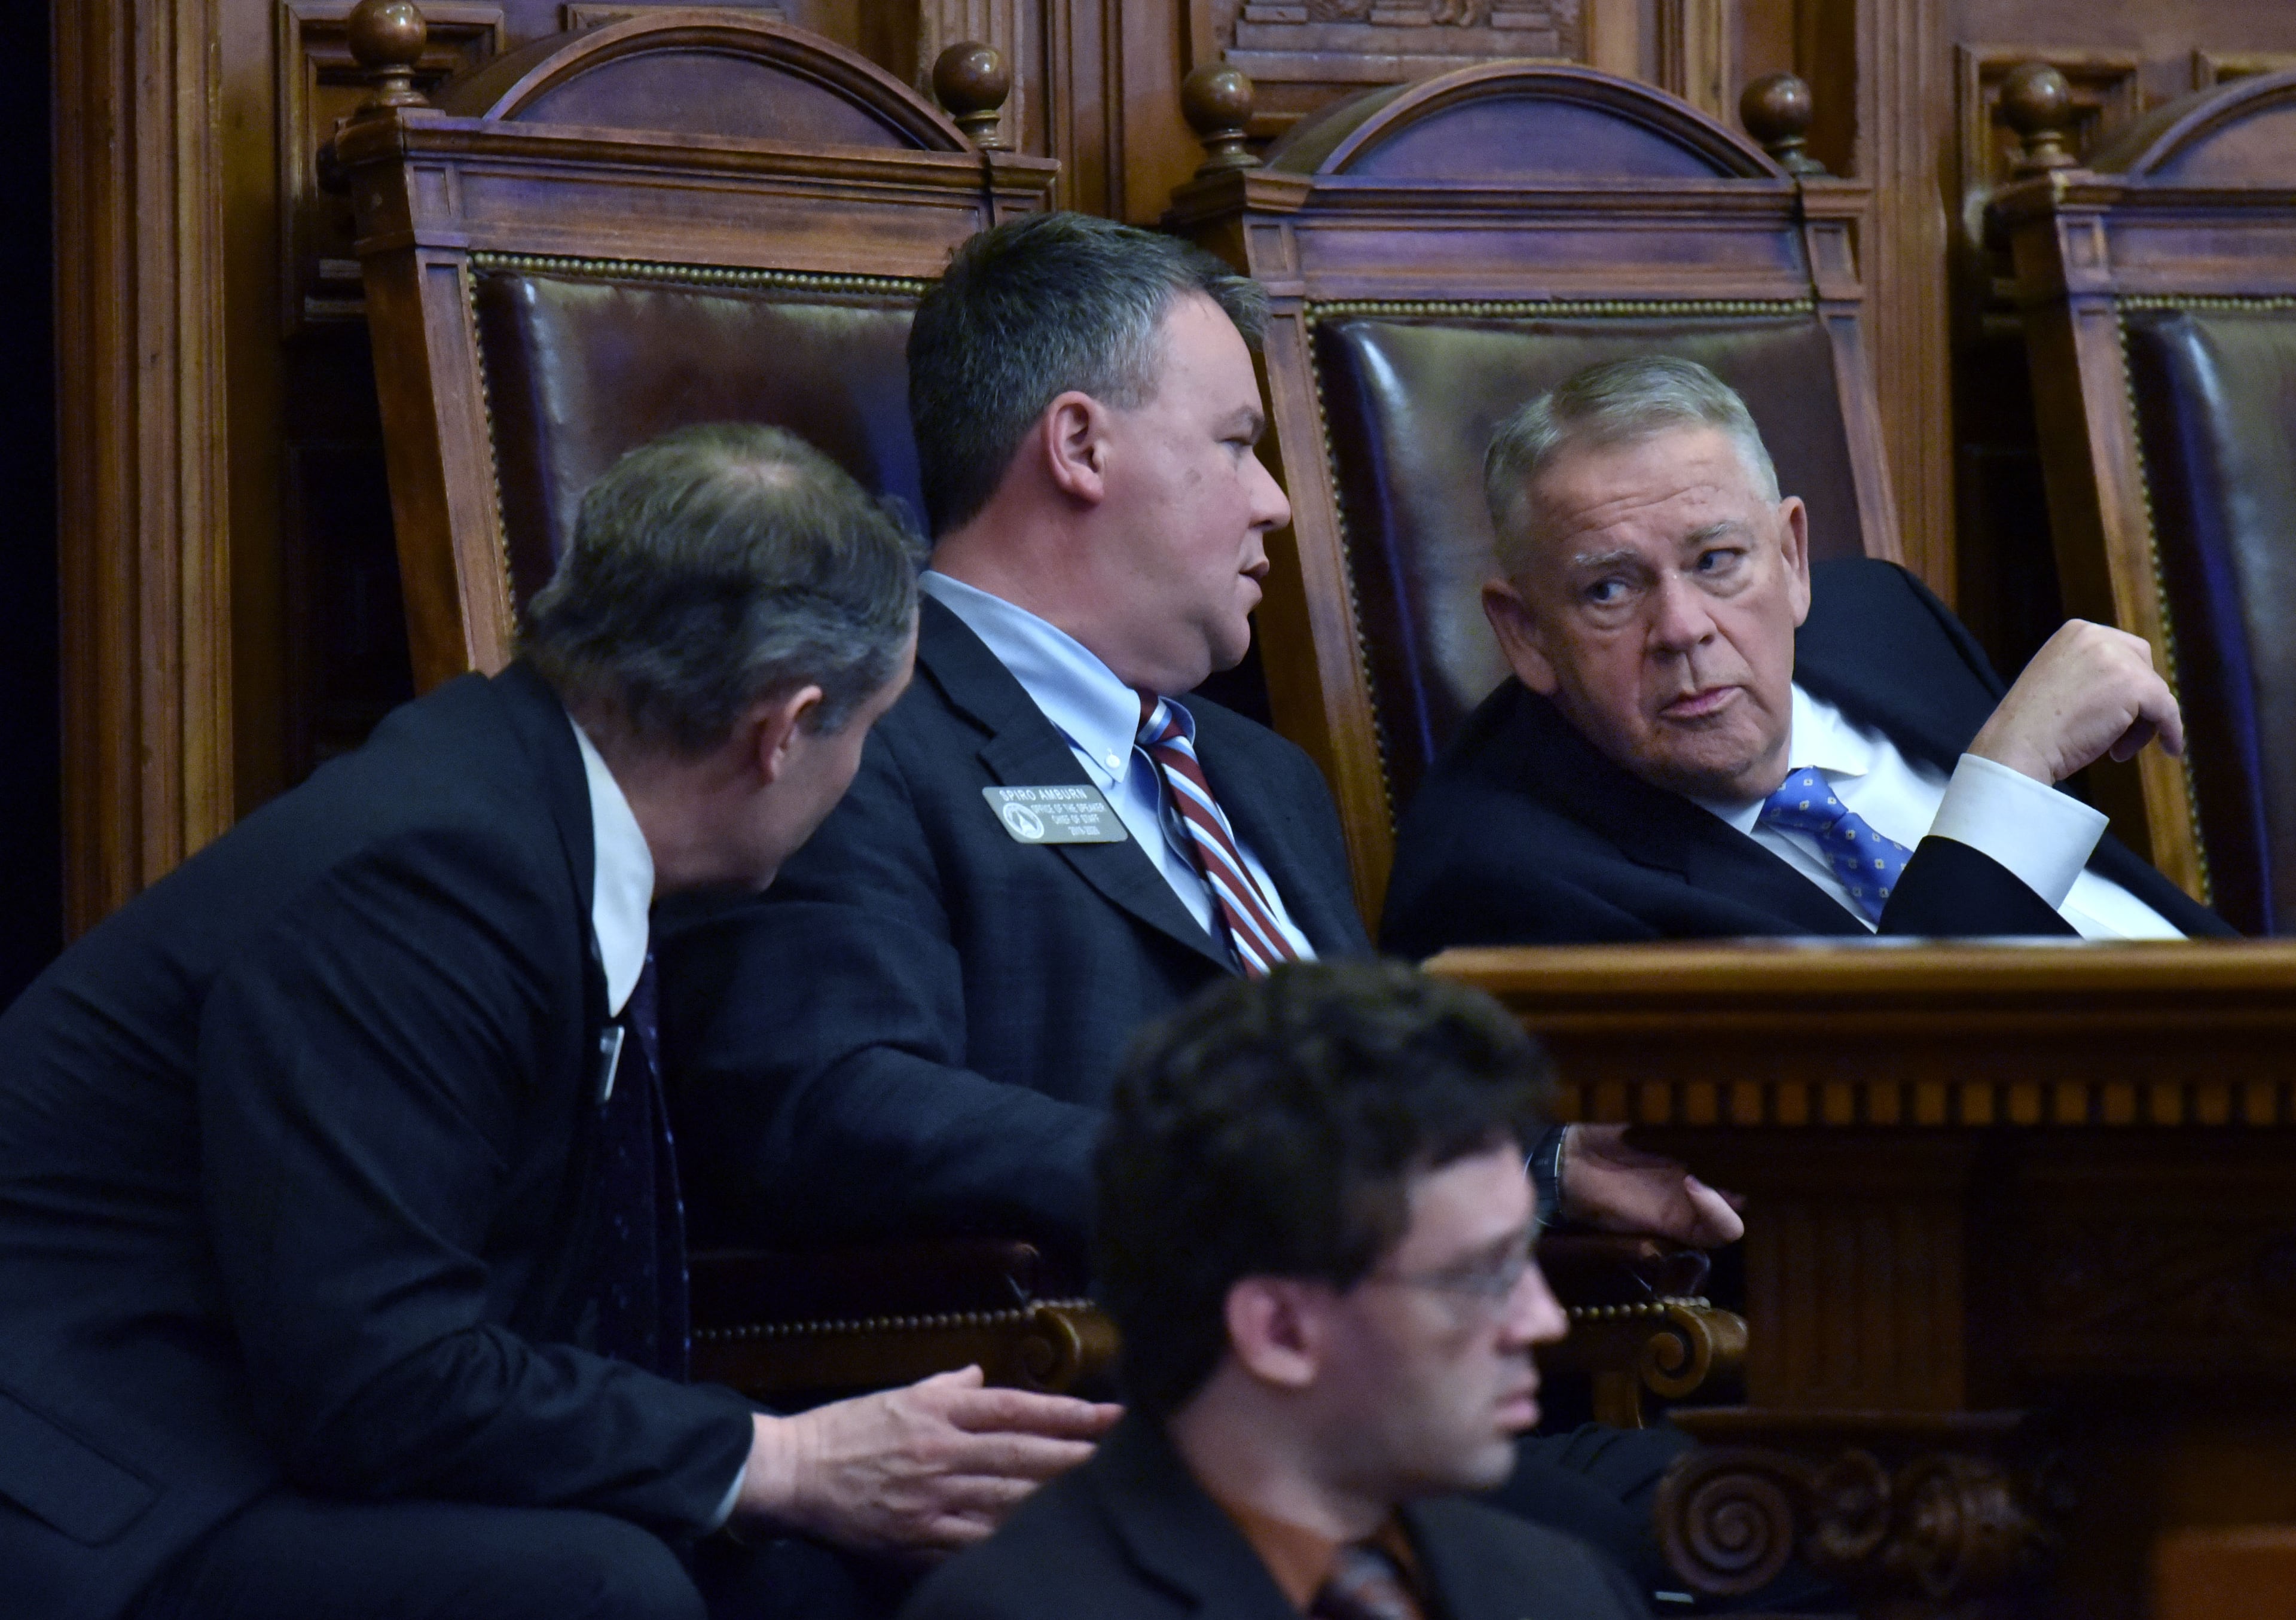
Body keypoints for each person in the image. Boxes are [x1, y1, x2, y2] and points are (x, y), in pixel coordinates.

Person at [0, 423, 1117, 1620]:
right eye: (868, 729)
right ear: (785, 729)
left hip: (266, 1427)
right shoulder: (425, 883)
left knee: (800, 1573)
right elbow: (377, 1382)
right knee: (607, 1591)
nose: (858, 769)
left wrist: (788, 1470)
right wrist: (788, 1457)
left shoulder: (528, 809)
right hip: (120, 1482)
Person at [1381, 355, 2231, 954]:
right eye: (1611, 590)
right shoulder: (1505, 882)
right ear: (1525, 632)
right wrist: (2006, 784)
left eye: (1717, 561)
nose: (1682, 629)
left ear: (1790, 557)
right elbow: (1897, 1095)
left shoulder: (1883, 617)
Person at [899, 959, 1651, 1620]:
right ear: (1280, 1331)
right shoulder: (1019, 1611)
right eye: (1483, 1278)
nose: (1544, 1322)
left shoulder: (1560, 1585)